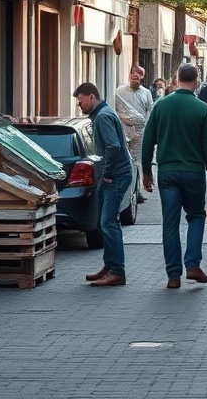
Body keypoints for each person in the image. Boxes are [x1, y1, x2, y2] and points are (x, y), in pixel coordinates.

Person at [141, 63, 207, 288]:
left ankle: (173, 275)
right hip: (194, 172)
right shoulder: (203, 108)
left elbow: (148, 141)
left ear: (176, 80)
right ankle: (193, 264)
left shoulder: (161, 105)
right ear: (196, 81)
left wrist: (146, 171)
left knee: (170, 222)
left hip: (166, 171)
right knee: (196, 216)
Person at [73, 82, 133, 287]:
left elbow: (114, 146)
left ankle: (117, 271)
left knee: (108, 222)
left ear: (91, 97)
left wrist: (107, 174)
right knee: (107, 222)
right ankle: (110, 266)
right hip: (115, 175)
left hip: (116, 176)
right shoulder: (103, 114)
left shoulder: (103, 117)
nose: (79, 106)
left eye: (80, 102)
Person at [115, 66, 153, 202]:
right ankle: (125, 192)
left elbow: (150, 111)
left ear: (143, 77)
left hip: (140, 131)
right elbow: (115, 111)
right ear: (129, 75)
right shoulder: (119, 91)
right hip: (124, 130)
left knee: (138, 162)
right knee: (125, 161)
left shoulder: (146, 93)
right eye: (134, 75)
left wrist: (148, 130)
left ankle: (137, 192)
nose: (136, 77)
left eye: (140, 75)